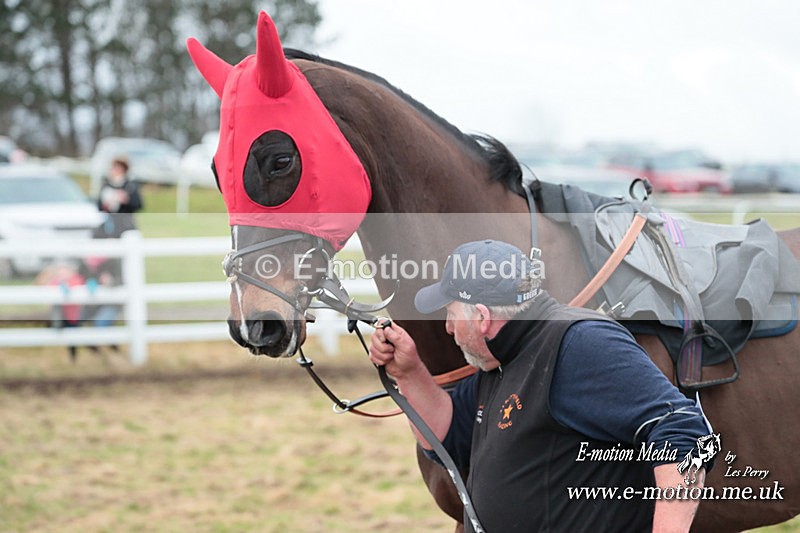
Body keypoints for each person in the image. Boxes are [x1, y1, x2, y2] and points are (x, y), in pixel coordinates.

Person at [369, 240, 714, 532]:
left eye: (452, 314)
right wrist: (409, 372)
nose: (448, 328)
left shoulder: (579, 343)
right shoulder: (501, 356)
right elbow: (450, 434)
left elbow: (684, 431)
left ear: (482, 318)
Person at [96, 155, 143, 237]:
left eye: (118, 168)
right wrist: (106, 205)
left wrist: (126, 200)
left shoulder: (130, 186)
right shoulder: (106, 185)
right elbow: (99, 205)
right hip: (109, 224)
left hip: (126, 224)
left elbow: (138, 204)